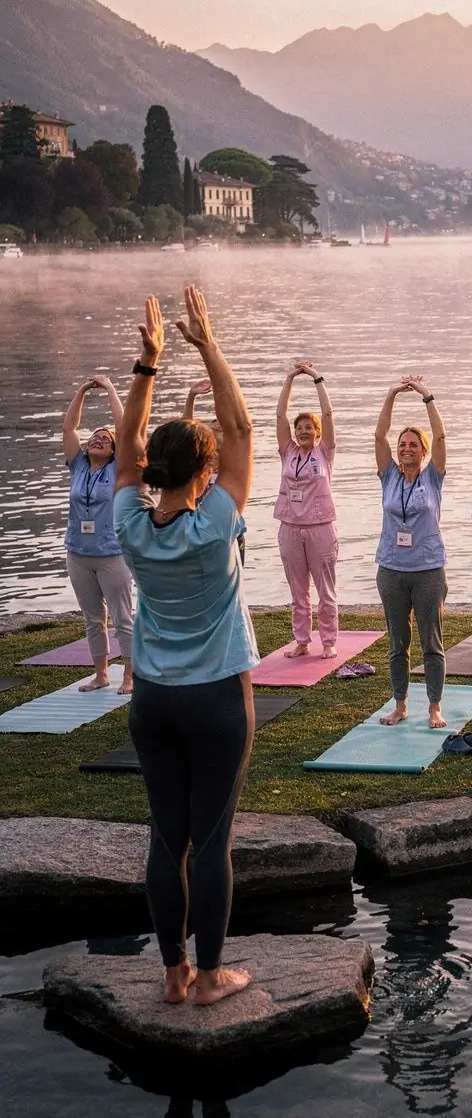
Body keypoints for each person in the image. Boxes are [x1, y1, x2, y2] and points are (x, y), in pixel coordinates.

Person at [113, 286, 259, 1006]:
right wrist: (207, 344)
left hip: (153, 702)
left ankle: (171, 975)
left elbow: (127, 452)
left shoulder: (133, 527)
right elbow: (242, 428)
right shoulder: (215, 523)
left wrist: (147, 368)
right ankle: (208, 978)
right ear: (204, 474)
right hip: (216, 700)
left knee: (164, 837)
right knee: (213, 842)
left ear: (153, 474)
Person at [374, 375, 448, 731]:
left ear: (423, 450)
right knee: (397, 642)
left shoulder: (433, 476)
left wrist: (425, 396)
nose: (406, 449)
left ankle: (434, 706)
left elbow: (443, 436)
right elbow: (378, 437)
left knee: (431, 642)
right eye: (402, 444)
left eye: (413, 445)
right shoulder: (388, 475)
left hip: (428, 569)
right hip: (391, 568)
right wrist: (390, 395)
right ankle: (400, 704)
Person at [62, 373, 133, 694]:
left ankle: (130, 676)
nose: (98, 438)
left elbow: (126, 429)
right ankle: (102, 673)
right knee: (93, 618)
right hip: (78, 554)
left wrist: (109, 389)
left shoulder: (119, 469)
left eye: (106, 438)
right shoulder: (77, 465)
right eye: (95, 436)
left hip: (112, 553)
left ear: (115, 450)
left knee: (123, 618)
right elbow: (69, 428)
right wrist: (80, 391)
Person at [274, 362, 338, 658]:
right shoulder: (287, 451)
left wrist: (315, 378)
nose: (302, 432)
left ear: (317, 432)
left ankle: (328, 641)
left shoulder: (324, 452)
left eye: (308, 428)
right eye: (299, 429)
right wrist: (289, 378)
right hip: (289, 526)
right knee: (298, 591)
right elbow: (279, 415)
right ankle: (301, 640)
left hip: (320, 527)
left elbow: (327, 413)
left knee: (325, 590)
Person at [182, 378, 245, 566]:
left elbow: (242, 427)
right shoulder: (197, 463)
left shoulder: (234, 466)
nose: (217, 430)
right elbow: (186, 429)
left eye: (222, 428)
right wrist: (191, 396)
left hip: (228, 533)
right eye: (213, 427)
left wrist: (226, 391)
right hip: (196, 532)